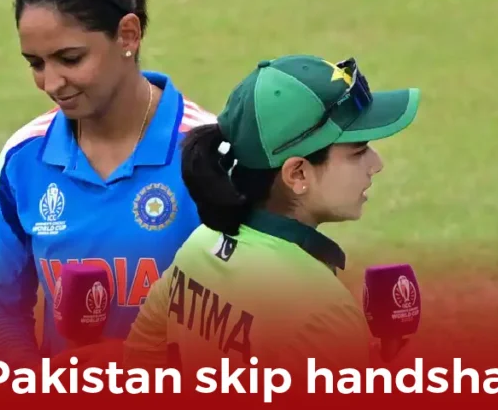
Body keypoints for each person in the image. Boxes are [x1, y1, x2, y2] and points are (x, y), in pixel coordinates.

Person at [0, 0, 216, 368]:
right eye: (35, 63)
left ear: (127, 35)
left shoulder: (208, 152)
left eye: (70, 59)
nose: (51, 83)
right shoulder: (24, 158)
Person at [123, 54, 421, 370]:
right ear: (298, 174)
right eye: (358, 152)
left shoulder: (200, 247)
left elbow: (141, 358)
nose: (376, 164)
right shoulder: (320, 310)